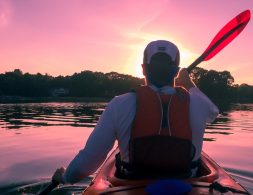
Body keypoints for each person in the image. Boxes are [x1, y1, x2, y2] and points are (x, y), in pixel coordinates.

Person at [52, 40, 219, 184]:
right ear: (176, 71)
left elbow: (89, 160)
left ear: (143, 69)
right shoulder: (199, 104)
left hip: (132, 184)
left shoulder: (119, 104)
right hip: (187, 185)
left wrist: (65, 177)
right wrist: (189, 83)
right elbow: (213, 112)